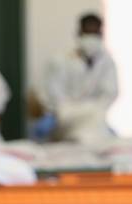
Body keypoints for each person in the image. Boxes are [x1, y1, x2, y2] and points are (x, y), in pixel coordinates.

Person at [35, 13, 118, 146]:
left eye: (95, 33)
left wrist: (93, 109)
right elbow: (50, 92)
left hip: (95, 116)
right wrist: (63, 112)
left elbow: (110, 92)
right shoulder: (60, 60)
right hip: (65, 117)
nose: (91, 38)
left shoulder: (107, 62)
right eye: (87, 32)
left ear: (101, 34)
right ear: (79, 33)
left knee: (96, 137)